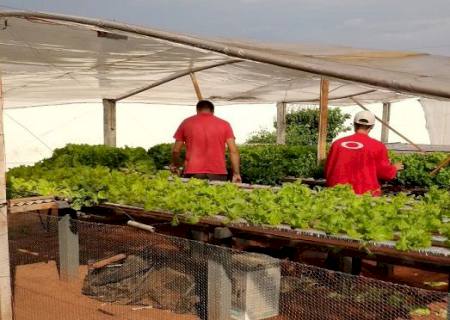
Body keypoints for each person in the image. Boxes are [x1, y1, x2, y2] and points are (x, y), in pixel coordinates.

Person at [325, 110, 403, 196]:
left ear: (354, 124)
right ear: (372, 127)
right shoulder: (378, 146)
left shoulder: (337, 143)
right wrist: (394, 168)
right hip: (365, 193)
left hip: (337, 192)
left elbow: (328, 168)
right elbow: (384, 173)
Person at [170, 100, 242, 183]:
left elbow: (175, 151)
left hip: (193, 172)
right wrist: (236, 173)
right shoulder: (225, 124)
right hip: (218, 172)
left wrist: (176, 165)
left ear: (197, 110)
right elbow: (233, 151)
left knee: (193, 196)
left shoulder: (186, 123)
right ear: (213, 111)